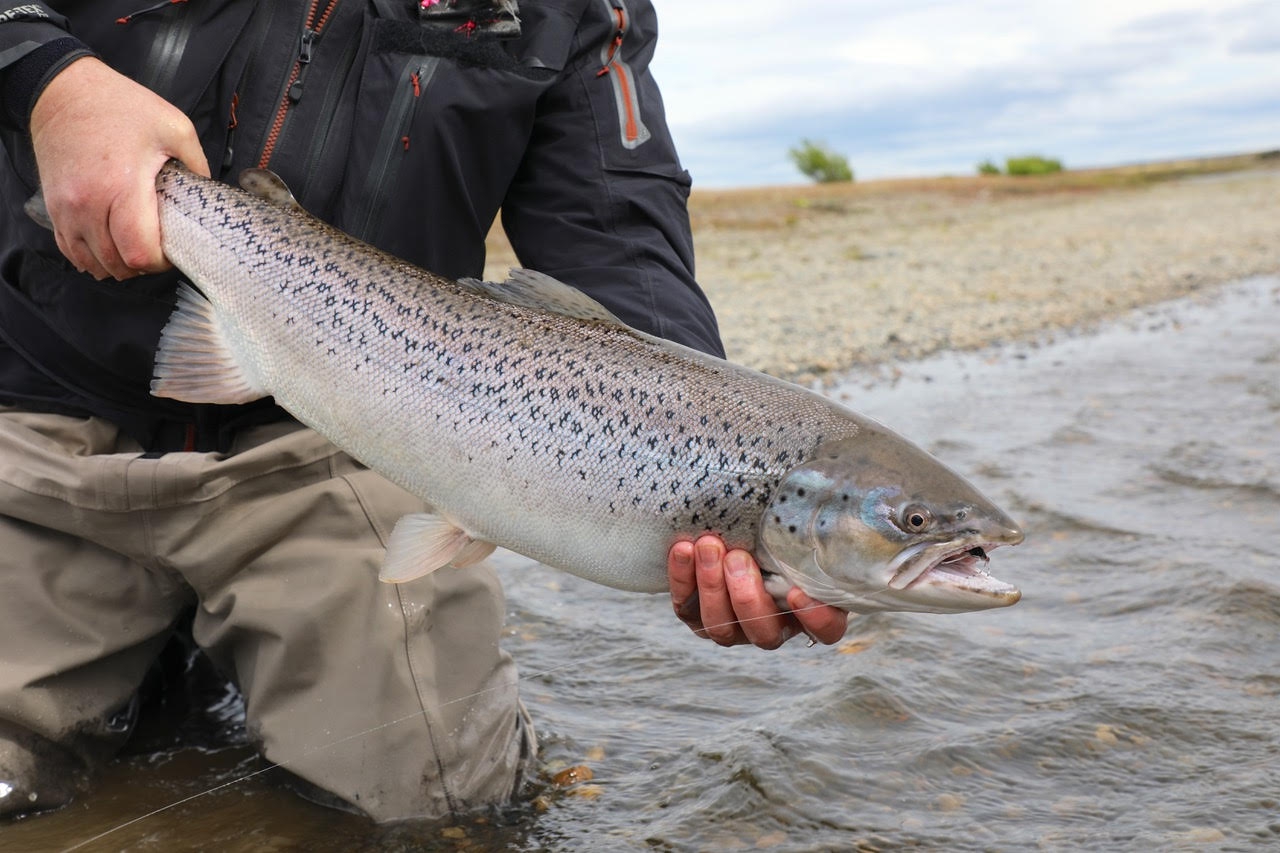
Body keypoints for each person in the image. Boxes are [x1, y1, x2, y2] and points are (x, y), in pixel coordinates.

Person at [0, 0, 846, 822]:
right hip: (38, 409)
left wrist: (700, 460)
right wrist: (48, 80)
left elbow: (615, 232)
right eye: (918, 523)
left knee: (437, 814)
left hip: (342, 441)